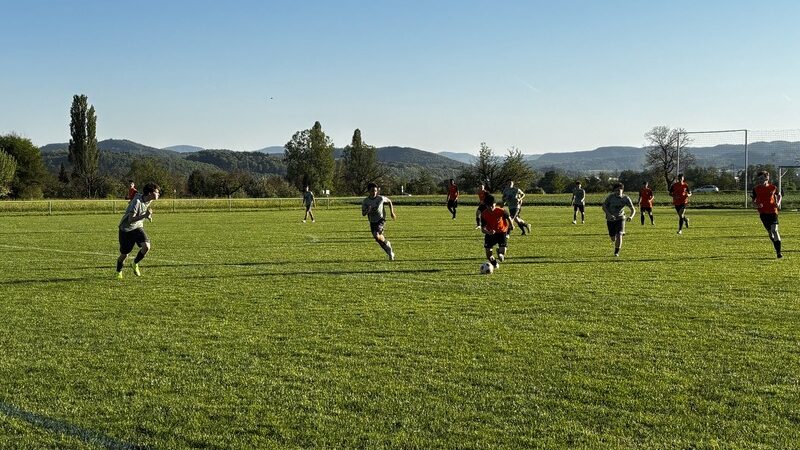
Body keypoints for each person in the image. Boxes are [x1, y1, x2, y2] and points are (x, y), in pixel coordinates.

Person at [116, 182, 160, 279]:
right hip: (126, 230)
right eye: (156, 192)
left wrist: (148, 216)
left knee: (146, 246)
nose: (158, 194)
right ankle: (118, 271)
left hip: (138, 227)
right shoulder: (137, 202)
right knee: (124, 255)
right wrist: (145, 215)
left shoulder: (149, 199)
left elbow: (145, 209)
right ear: (149, 193)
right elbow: (130, 220)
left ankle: (135, 263)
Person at [751, 171, 783, 259]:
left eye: (762, 178)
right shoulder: (756, 189)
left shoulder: (773, 187)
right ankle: (776, 244)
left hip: (773, 212)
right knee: (770, 233)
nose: (760, 180)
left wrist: (778, 203)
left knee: (775, 230)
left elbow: (779, 195)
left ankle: (778, 253)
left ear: (767, 178)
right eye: (759, 179)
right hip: (763, 213)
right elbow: (753, 202)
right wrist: (757, 205)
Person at [362, 182, 397, 260]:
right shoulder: (365, 201)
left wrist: (392, 212)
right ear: (368, 191)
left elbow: (389, 201)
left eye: (375, 191)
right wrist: (368, 210)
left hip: (381, 220)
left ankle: (389, 249)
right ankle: (389, 250)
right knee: (378, 239)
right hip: (372, 221)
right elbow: (363, 213)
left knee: (376, 235)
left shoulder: (380, 198)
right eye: (372, 191)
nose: (374, 192)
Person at [602, 182, 636, 257]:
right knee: (613, 238)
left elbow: (633, 209)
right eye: (616, 190)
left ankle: (616, 252)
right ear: (614, 191)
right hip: (610, 219)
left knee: (619, 234)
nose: (618, 191)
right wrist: (609, 215)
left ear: (622, 190)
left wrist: (631, 217)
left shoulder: (626, 198)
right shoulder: (610, 197)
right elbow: (604, 206)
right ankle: (616, 236)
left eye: (619, 189)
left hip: (621, 218)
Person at [480, 194, 513, 268]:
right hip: (490, 234)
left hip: (502, 232)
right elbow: (483, 229)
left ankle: (500, 253)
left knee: (502, 253)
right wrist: (488, 232)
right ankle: (495, 264)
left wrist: (511, 225)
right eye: (489, 206)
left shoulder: (501, 211)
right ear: (486, 205)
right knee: (488, 254)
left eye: (492, 205)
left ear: (495, 204)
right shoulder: (484, 214)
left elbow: (508, 217)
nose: (491, 207)